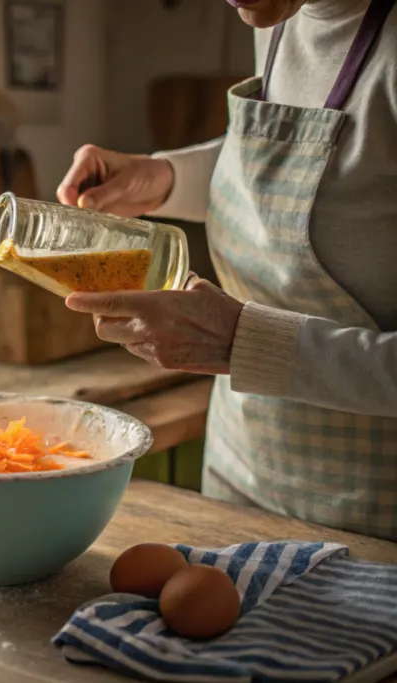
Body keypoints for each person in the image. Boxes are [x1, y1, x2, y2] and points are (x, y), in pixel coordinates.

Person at [55, 0, 397, 540]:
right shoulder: (280, 13)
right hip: (243, 477)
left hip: (372, 523)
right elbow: (331, 169)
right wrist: (166, 177)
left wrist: (240, 342)